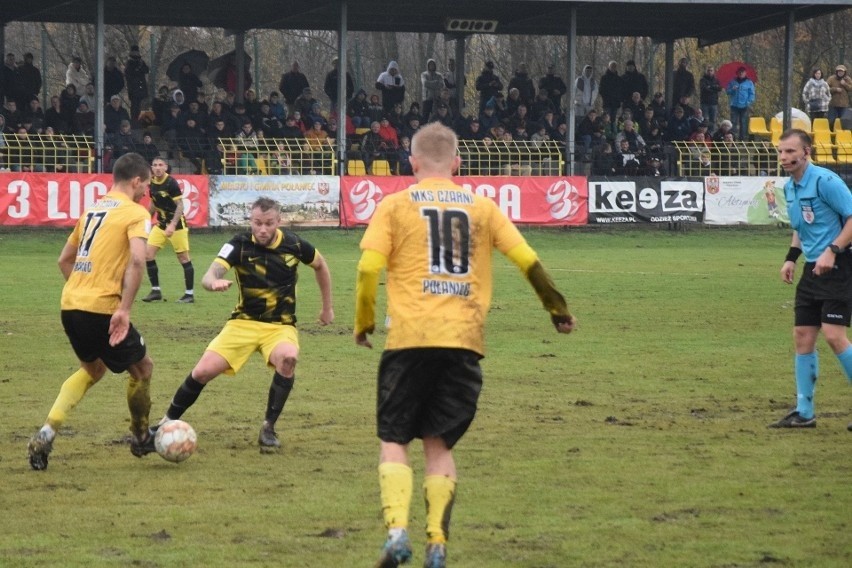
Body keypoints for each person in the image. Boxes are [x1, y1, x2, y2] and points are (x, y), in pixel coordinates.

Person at [353, 122, 575, 568]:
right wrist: (557, 308)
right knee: (439, 445)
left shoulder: (394, 206)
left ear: (411, 162)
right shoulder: (482, 206)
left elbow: (367, 269)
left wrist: (365, 321)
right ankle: (437, 543)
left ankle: (397, 533)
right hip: (464, 343)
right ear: (457, 162)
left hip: (409, 340)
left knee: (394, 439)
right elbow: (527, 260)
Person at [156, 197, 334, 449]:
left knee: (288, 359)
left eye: (269, 224)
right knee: (202, 371)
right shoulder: (238, 244)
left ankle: (268, 428)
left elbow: (321, 265)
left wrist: (327, 308)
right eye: (257, 223)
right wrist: (212, 283)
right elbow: (210, 274)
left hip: (280, 326)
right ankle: (164, 423)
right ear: (250, 221)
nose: (262, 229)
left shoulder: (294, 244)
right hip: (243, 323)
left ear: (278, 222)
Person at [26, 153, 158, 471]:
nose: (146, 193)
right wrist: (123, 310)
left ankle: (46, 433)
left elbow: (64, 260)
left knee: (92, 370)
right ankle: (141, 437)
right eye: (146, 185)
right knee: (143, 369)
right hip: (101, 309)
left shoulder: (93, 209)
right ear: (136, 180)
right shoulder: (135, 213)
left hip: (71, 305)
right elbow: (139, 261)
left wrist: (83, 293)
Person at [772, 129, 852, 431]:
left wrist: (833, 251)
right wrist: (791, 258)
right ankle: (804, 412)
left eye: (791, 151)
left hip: (840, 265)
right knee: (803, 336)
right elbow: (801, 226)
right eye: (781, 152)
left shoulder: (826, 181)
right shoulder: (789, 187)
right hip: (813, 268)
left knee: (834, 336)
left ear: (807, 152)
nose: (784, 157)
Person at [141, 157, 195, 304]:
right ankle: (155, 291)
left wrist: (172, 225)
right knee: (148, 254)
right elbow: (153, 202)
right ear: (152, 168)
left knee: (183, 257)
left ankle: (189, 294)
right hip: (161, 223)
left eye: (160, 165)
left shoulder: (171, 183)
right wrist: (146, 221)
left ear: (165, 167)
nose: (158, 168)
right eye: (155, 165)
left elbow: (180, 206)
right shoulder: (151, 182)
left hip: (176, 225)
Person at [725, 66, 755, 141]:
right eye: (740, 72)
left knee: (743, 123)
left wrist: (748, 101)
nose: (741, 73)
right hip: (734, 105)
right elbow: (727, 91)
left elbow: (752, 94)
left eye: (743, 72)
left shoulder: (749, 82)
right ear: (737, 73)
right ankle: (733, 139)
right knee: (733, 123)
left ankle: (742, 140)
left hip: (744, 106)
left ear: (745, 73)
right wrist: (732, 89)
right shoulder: (732, 81)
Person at [124, 45, 150, 126]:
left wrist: (140, 64)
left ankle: (143, 121)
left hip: (142, 90)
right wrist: (138, 68)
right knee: (135, 108)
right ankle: (135, 123)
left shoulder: (141, 62)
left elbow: (146, 70)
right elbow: (130, 74)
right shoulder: (129, 63)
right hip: (134, 90)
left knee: (143, 107)